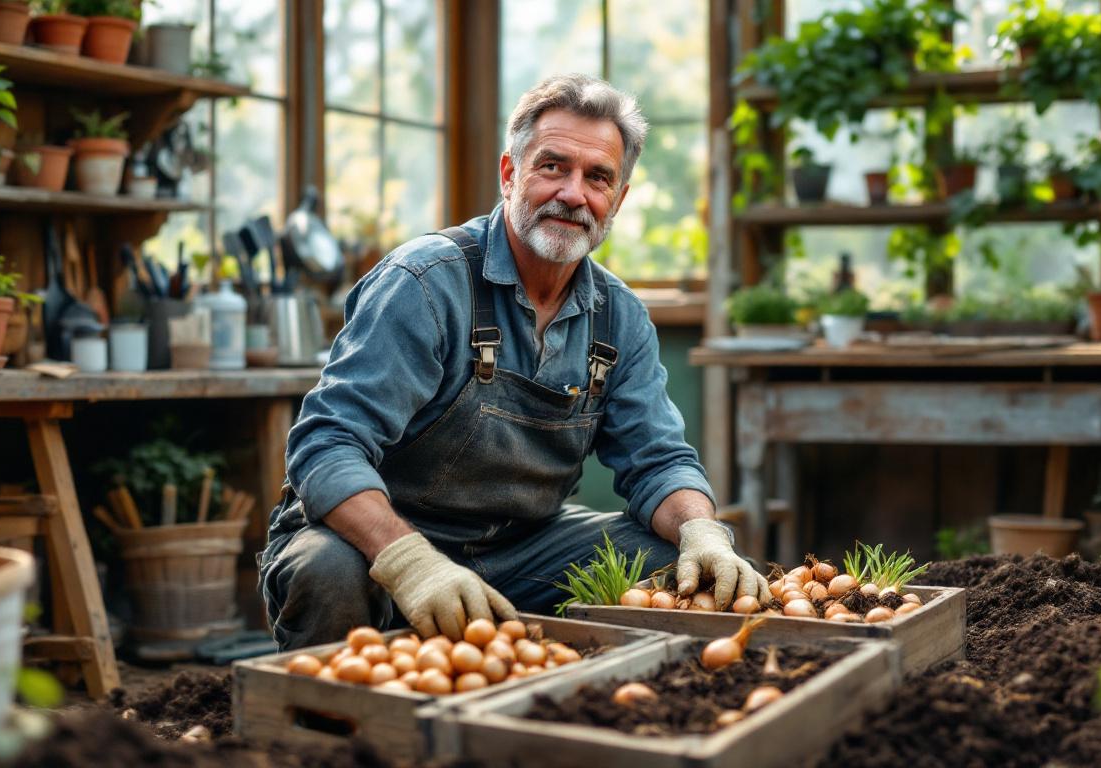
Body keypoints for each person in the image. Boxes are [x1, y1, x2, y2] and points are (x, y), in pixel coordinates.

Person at [259, 74, 769, 649]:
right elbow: (327, 443)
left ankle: (590, 711)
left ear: (618, 199)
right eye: (553, 167)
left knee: (671, 562)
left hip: (523, 547)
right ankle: (329, 733)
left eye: (597, 177)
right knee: (330, 573)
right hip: (377, 539)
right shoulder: (425, 283)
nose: (574, 194)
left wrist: (702, 530)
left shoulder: (619, 317)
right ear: (510, 174)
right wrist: (410, 563)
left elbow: (658, 460)